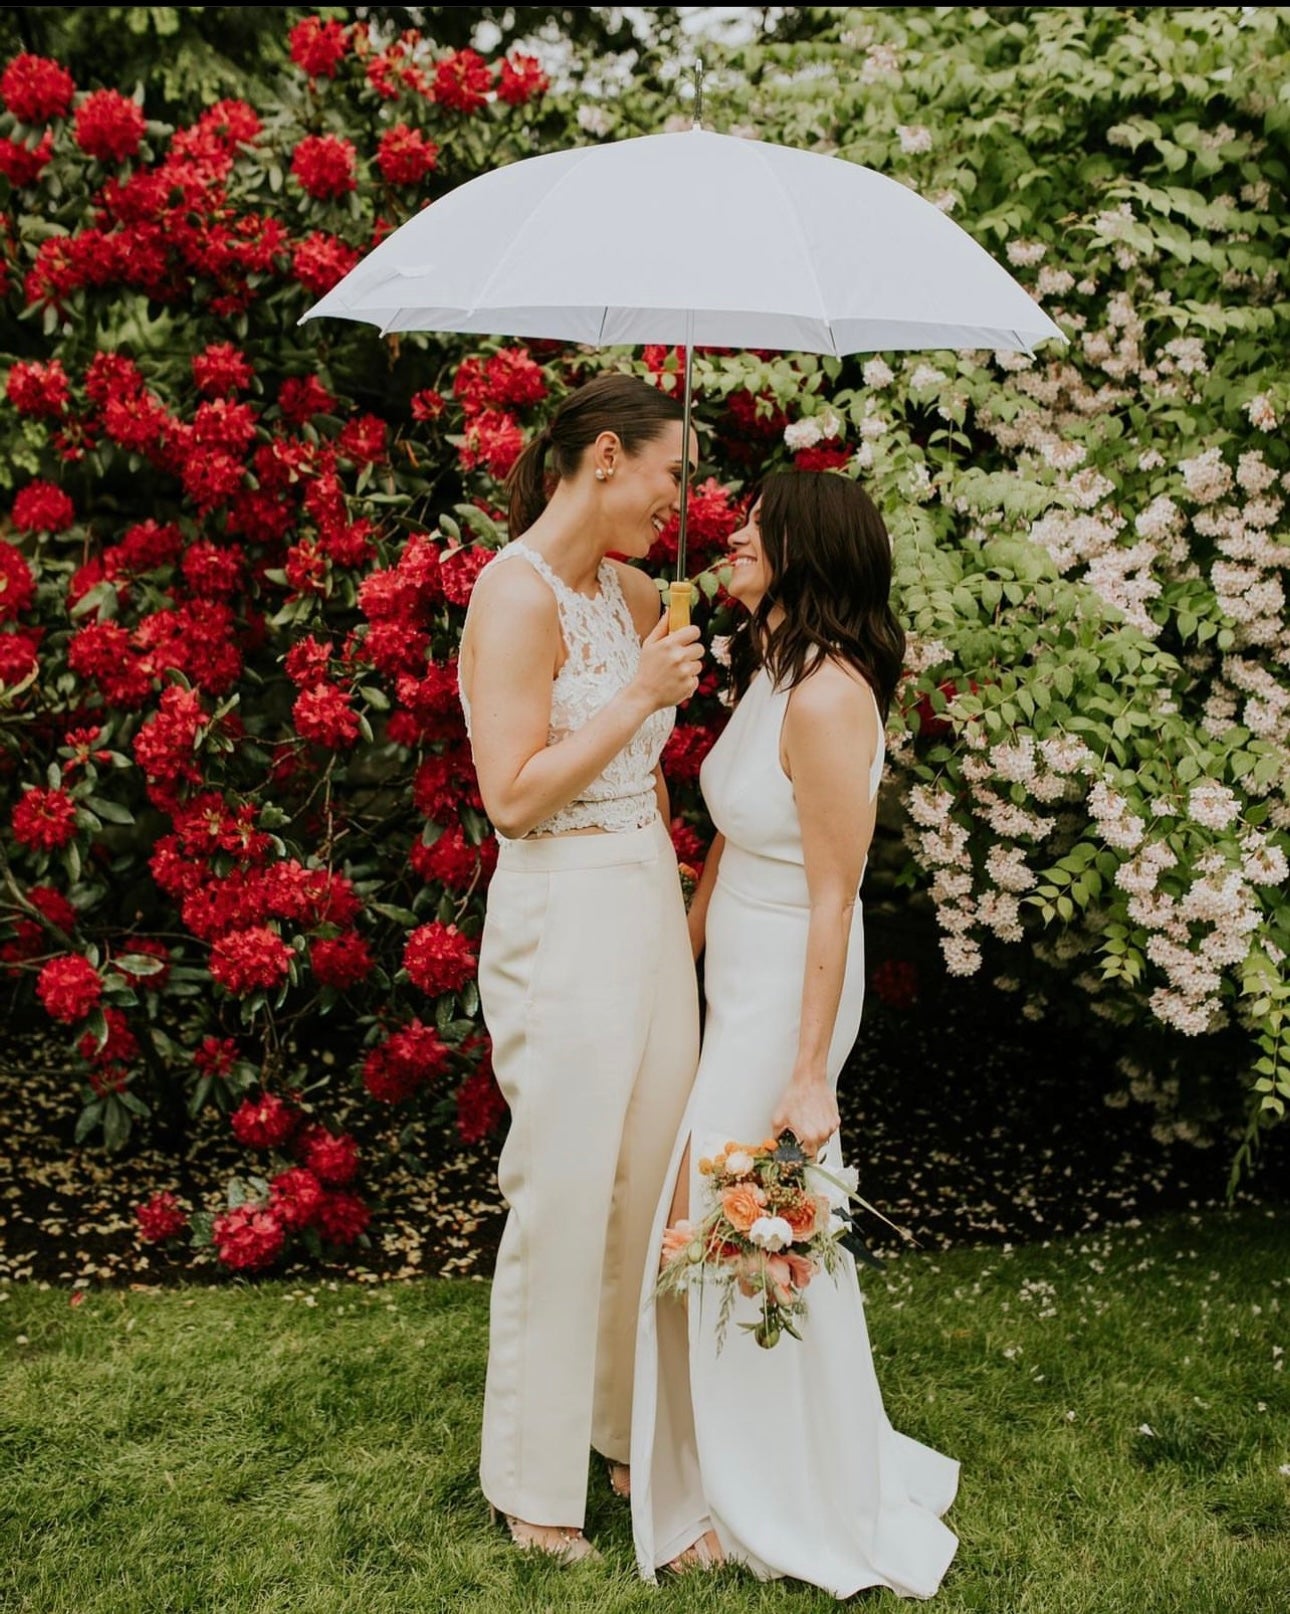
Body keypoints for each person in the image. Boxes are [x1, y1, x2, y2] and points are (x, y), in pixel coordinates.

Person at [630, 469, 960, 1597]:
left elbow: (834, 894)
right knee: (716, 1218)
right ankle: (726, 1463)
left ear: (808, 551)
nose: (733, 534)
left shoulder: (827, 697)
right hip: (741, 978)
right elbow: (731, 826)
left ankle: (766, 1491)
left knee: (742, 1228)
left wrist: (811, 1070)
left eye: (757, 527)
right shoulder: (774, 671)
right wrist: (686, 946)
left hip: (796, 993)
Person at [456, 372, 706, 1563]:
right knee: (564, 1187)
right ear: (605, 456)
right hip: (562, 900)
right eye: (670, 472)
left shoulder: (643, 587)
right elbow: (511, 797)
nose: (679, 495)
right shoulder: (512, 596)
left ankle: (627, 1436)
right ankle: (533, 1479)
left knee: (653, 1181)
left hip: (646, 892)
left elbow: (649, 772)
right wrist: (635, 700)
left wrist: (680, 908)